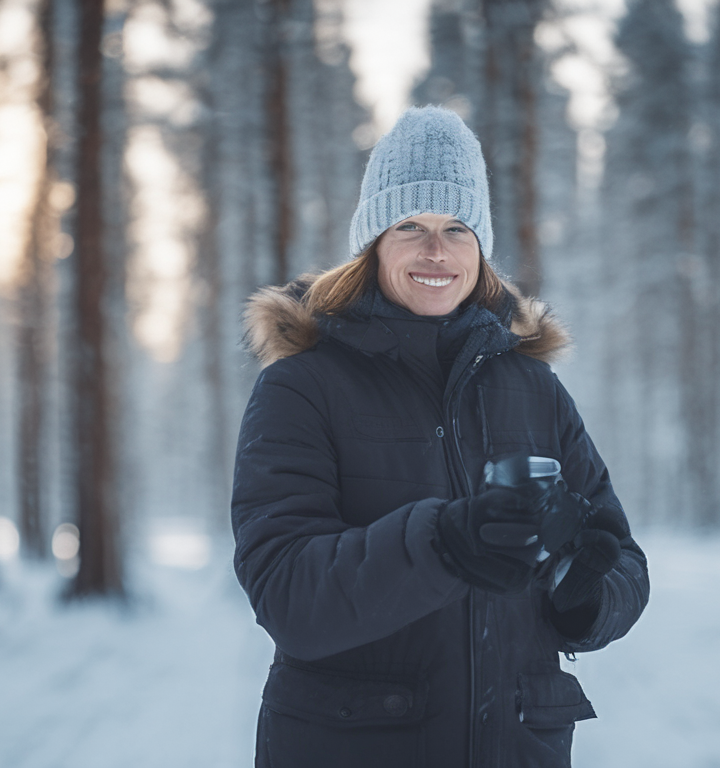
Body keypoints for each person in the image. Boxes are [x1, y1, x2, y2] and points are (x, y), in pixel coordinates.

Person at [231, 106, 649, 768]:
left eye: (457, 228)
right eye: (411, 228)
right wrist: (443, 544)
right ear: (373, 242)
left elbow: (623, 557)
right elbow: (287, 592)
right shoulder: (302, 386)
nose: (437, 251)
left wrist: (585, 593)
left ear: (479, 246)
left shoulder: (534, 386)